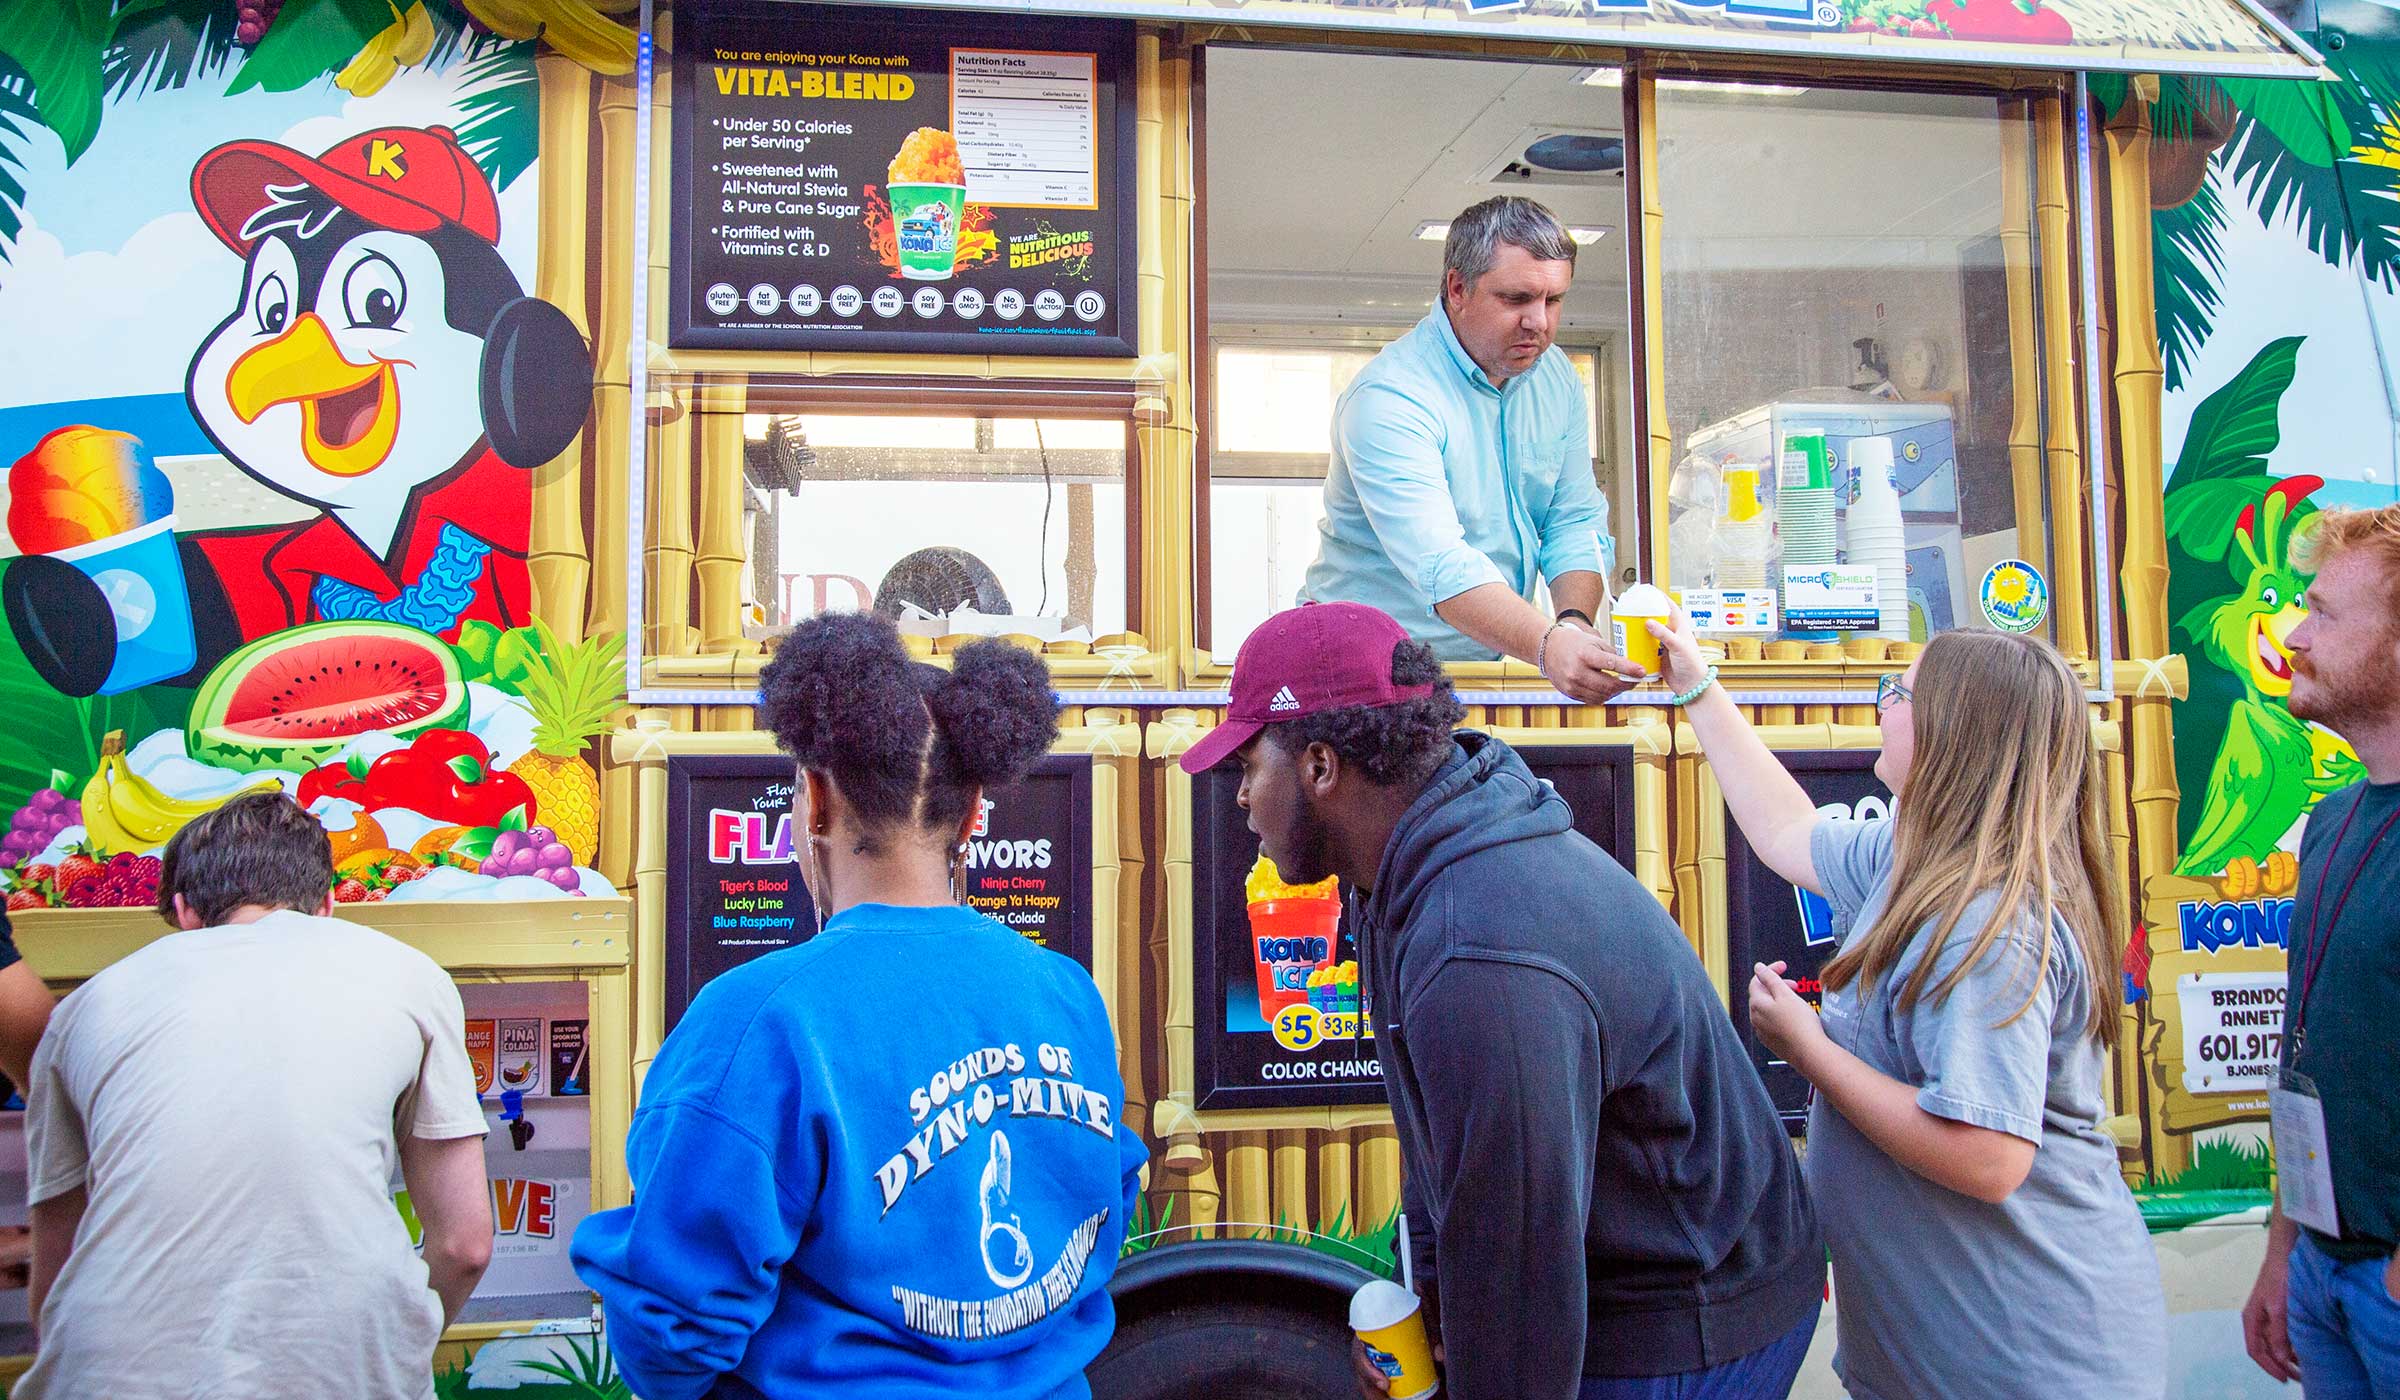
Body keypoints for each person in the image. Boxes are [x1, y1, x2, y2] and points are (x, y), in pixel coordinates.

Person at [1179, 601, 1823, 1400]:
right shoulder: (1407, 865)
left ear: (1319, 767)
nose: (1239, 797)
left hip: (1690, 1320)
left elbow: (1523, 1267)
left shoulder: (1477, 947)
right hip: (1621, 1282)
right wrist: (1434, 1316)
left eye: (1247, 766)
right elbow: (1453, 1170)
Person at [572, 616, 1148, 1400]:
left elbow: (669, 1326)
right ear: (975, 809)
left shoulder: (759, 1019)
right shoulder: (1066, 992)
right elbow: (1101, 1211)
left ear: (813, 800)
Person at [1651, 611, 2166, 1398]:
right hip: (1941, 1359)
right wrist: (1698, 685)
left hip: (2022, 1361)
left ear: (1952, 736)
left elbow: (1989, 1158)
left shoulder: (1984, 925)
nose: (1882, 702)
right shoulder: (1909, 854)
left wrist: (1810, 1048)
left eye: (1900, 692)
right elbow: (1787, 830)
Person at [19, 791, 492, 1399]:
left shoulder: (83, 1009)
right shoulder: (410, 975)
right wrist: (394, 1347)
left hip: (110, 1373)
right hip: (342, 1366)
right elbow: (465, 1245)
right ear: (326, 906)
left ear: (185, 913)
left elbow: (53, 1281)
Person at [1299, 196, 1643, 703]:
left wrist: (1572, 622)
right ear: (1457, 288)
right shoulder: (1390, 397)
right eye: (1517, 299)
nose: (1539, 323)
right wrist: (1548, 645)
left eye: (1553, 300)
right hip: (1358, 677)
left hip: (1480, 665)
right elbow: (1442, 562)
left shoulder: (1556, 381)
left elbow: (1573, 521)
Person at [2241, 503, 2400, 1395]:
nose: (2295, 635)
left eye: (2327, 614)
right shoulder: (2335, 819)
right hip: (2322, 1269)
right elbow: (2315, 1054)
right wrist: (2285, 1246)